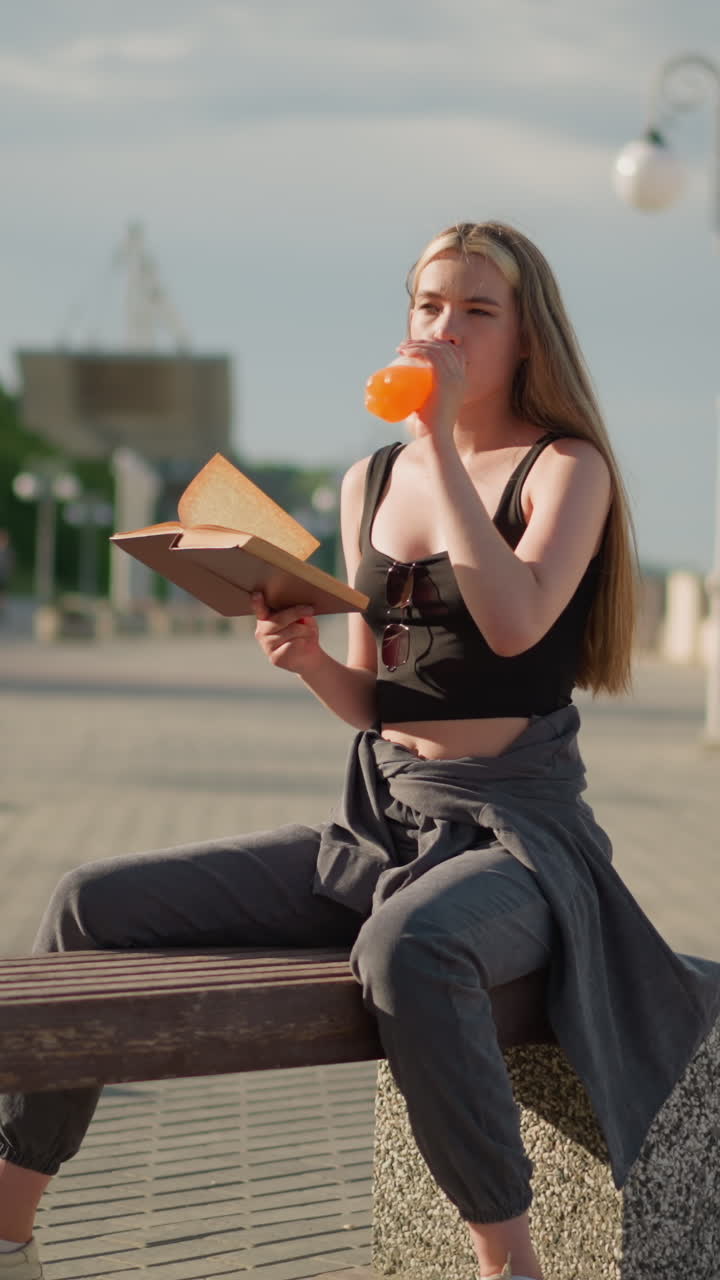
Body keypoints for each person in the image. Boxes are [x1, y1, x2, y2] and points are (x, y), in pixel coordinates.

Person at [1, 221, 718, 1280]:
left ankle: (507, 1261)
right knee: (89, 903)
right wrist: (304, 659)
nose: (444, 328)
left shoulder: (565, 469)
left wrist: (441, 446)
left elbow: (514, 623)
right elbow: (373, 698)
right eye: (428, 306)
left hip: (518, 840)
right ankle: (11, 1222)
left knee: (408, 950)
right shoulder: (369, 480)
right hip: (380, 824)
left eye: (476, 310)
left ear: (526, 335)